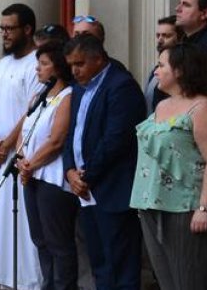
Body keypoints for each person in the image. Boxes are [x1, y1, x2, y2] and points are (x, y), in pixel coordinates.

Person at [131, 44, 207, 290]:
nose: (155, 71)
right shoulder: (162, 106)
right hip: (151, 202)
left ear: (181, 70)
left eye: (162, 65)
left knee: (190, 280)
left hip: (186, 207)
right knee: (166, 281)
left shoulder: (203, 108)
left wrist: (204, 207)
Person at [61, 35, 146, 290]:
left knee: (121, 264)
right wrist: (69, 172)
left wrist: (85, 177)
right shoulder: (77, 89)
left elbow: (116, 141)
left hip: (111, 187)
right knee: (100, 263)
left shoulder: (121, 86)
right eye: (71, 65)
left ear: (99, 58)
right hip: (85, 191)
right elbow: (71, 134)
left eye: (80, 64)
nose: (74, 71)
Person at [0, 4, 44, 290]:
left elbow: (33, 110)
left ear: (27, 29)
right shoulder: (1, 64)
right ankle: (4, 279)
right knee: (1, 222)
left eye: (9, 28)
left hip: (22, 157)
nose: (4, 34)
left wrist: (7, 144)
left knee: (23, 223)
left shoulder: (37, 63)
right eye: (2, 28)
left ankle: (29, 282)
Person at [16, 42, 78, 290]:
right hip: (31, 175)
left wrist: (30, 164)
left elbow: (56, 140)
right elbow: (24, 130)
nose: (37, 70)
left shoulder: (68, 97)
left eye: (43, 64)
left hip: (52, 178)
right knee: (39, 238)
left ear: (58, 67)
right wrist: (21, 159)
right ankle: (48, 284)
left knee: (58, 241)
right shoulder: (38, 96)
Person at [145, 16, 184, 115]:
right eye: (158, 36)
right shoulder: (155, 71)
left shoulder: (183, 70)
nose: (160, 40)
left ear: (179, 38)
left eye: (166, 36)